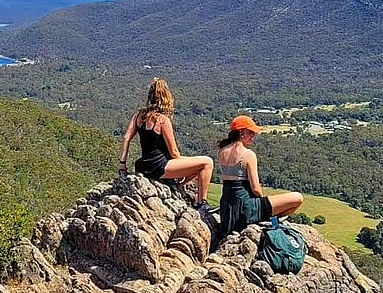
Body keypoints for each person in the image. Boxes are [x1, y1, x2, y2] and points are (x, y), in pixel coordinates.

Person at [118, 78, 214, 209]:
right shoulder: (163, 120)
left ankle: (176, 184)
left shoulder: (138, 116)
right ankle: (201, 202)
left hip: (143, 165)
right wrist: (184, 170)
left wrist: (122, 165)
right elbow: (174, 153)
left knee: (195, 164)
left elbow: (127, 137)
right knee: (207, 162)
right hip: (160, 166)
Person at [218, 115, 303, 235]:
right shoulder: (248, 155)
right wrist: (263, 205)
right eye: (251, 132)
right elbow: (256, 189)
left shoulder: (222, 151)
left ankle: (267, 219)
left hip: (228, 209)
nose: (254, 136)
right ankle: (270, 220)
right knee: (297, 198)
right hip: (246, 209)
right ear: (242, 132)